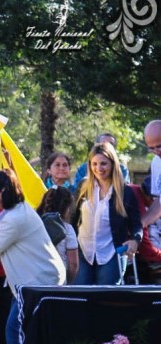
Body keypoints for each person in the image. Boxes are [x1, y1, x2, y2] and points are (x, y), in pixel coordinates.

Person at [0, 169, 66, 344]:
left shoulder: (14, 218)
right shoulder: (18, 210)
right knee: (26, 331)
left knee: (15, 331)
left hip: (38, 281)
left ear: (2, 191)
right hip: (38, 279)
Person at [71, 143, 141, 285]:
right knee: (80, 295)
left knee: (106, 296)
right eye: (94, 164)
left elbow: (136, 224)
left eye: (103, 164)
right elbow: (73, 218)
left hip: (112, 254)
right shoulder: (83, 188)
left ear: (113, 164)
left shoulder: (125, 192)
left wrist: (135, 240)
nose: (99, 168)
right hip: (83, 251)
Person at [37, 187, 79, 283]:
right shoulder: (68, 229)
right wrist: (68, 281)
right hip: (58, 277)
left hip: (37, 277)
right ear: (66, 208)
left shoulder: (36, 225)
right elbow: (73, 264)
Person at [141, 120, 161, 228]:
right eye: (151, 148)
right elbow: (159, 201)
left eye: (159, 146)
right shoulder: (156, 162)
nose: (157, 151)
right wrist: (140, 224)